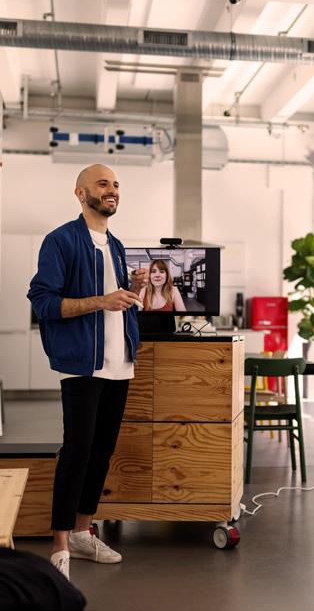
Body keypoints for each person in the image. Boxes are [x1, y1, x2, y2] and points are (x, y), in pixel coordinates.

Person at [27, 164, 148, 582]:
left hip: (120, 365)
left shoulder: (117, 245)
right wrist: (101, 300)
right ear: (80, 193)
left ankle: (82, 532)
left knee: (102, 452)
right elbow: (43, 302)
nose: (112, 190)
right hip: (82, 364)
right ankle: (59, 544)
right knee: (77, 451)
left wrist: (134, 290)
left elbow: (119, 303)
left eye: (116, 184)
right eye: (103, 184)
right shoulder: (60, 240)